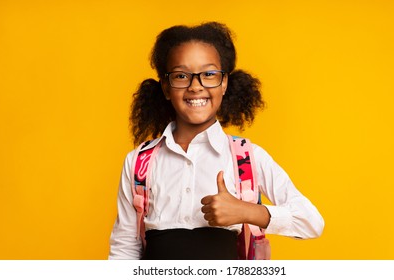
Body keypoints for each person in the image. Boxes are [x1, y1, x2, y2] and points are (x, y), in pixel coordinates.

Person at [108, 22, 324, 260]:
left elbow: (311, 222)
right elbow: (124, 248)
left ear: (224, 83)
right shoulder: (139, 162)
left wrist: (247, 211)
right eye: (181, 76)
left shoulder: (247, 157)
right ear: (166, 88)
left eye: (209, 74)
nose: (195, 86)